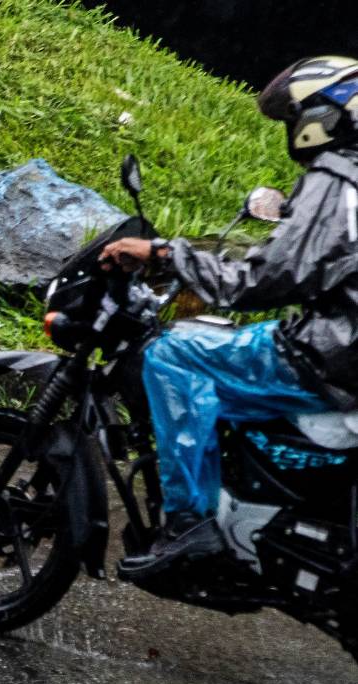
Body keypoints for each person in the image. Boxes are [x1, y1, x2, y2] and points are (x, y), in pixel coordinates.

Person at [101, 55, 358, 576]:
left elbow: (266, 281)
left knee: (174, 355)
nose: (291, 128)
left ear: (322, 116)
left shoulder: (337, 174)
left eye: (293, 117)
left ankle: (188, 525)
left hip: (335, 355)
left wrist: (168, 254)